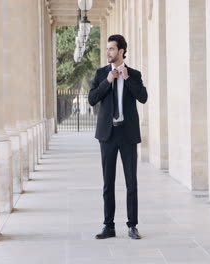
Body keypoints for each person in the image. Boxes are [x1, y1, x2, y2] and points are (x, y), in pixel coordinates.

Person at [88, 34, 148, 239]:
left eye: (112, 49)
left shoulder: (134, 74)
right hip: (108, 134)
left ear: (121, 51)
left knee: (131, 181)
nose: (108, 52)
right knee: (108, 182)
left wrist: (127, 79)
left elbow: (143, 97)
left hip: (128, 134)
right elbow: (92, 99)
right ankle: (109, 226)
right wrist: (107, 81)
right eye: (107, 49)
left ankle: (132, 225)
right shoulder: (101, 73)